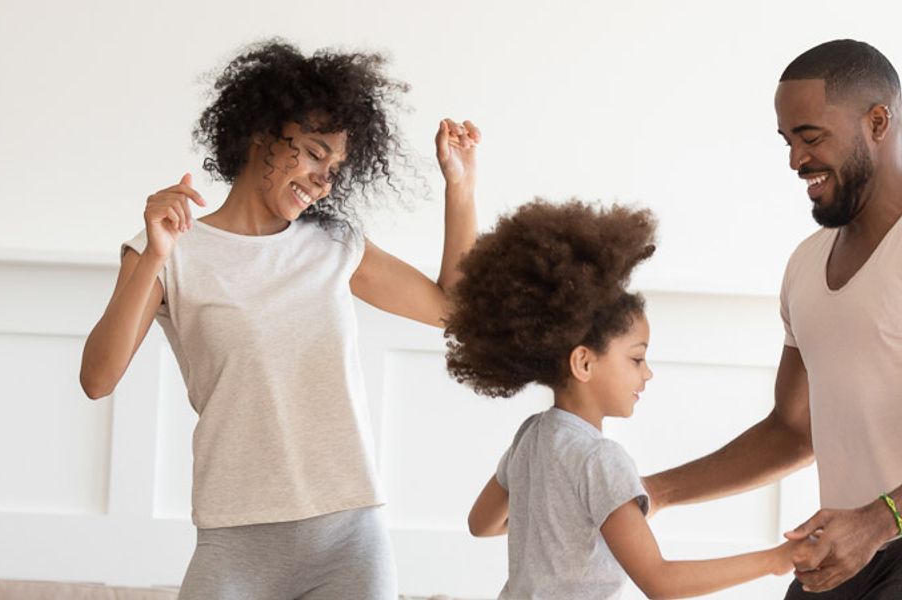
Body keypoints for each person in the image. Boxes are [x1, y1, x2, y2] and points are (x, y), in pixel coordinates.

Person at [79, 40, 480, 599]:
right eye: (315, 154)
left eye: (335, 168)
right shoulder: (172, 251)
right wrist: (154, 256)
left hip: (349, 537)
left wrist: (459, 186)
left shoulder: (334, 244)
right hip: (233, 540)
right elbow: (98, 380)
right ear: (261, 133)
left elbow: (455, 311)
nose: (323, 181)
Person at [642, 39, 902, 598]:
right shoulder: (805, 264)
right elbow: (792, 429)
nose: (795, 160)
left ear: (878, 121)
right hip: (847, 551)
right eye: (787, 141)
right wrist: (656, 492)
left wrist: (884, 518)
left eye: (811, 137)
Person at [447, 200, 798, 599]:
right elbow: (661, 583)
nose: (646, 373)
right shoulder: (601, 459)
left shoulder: (531, 435)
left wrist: (560, 525)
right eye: (636, 358)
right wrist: (777, 559)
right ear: (583, 362)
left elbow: (482, 523)